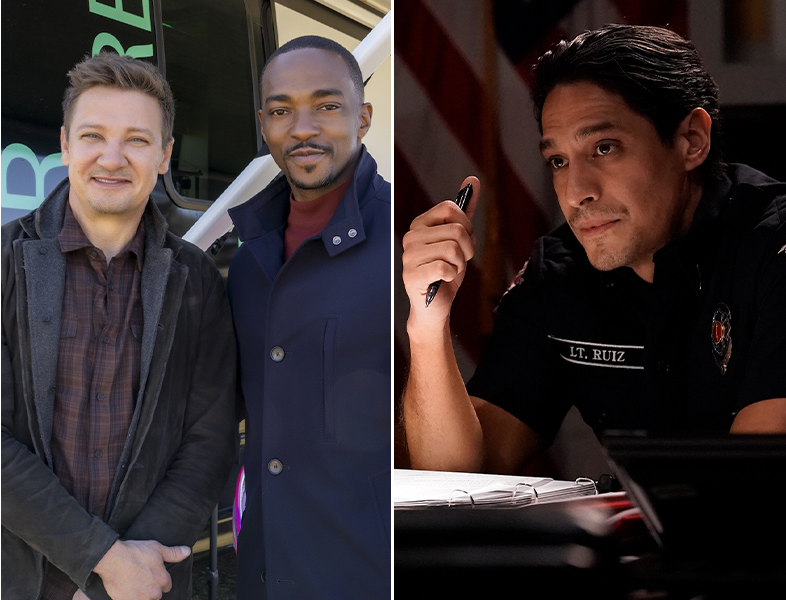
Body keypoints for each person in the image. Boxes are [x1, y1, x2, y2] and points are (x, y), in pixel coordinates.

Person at [402, 24, 786, 475]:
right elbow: (452, 475)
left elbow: (758, 486)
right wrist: (427, 325)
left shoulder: (773, 247)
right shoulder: (560, 271)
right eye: (558, 161)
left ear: (692, 141)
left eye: (604, 148)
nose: (576, 192)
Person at [0, 53, 237, 600]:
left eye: (136, 139)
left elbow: (210, 440)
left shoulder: (196, 279)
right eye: (92, 136)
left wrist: (123, 579)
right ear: (64, 145)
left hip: (145, 588)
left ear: (164, 155)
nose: (112, 157)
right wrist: (101, 561)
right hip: (27, 582)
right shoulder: (6, 261)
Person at [226, 35, 391, 600]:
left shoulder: (407, 243)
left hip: (366, 574)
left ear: (363, 117)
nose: (302, 128)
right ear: (264, 125)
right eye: (281, 111)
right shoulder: (247, 264)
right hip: (266, 574)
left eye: (326, 105)